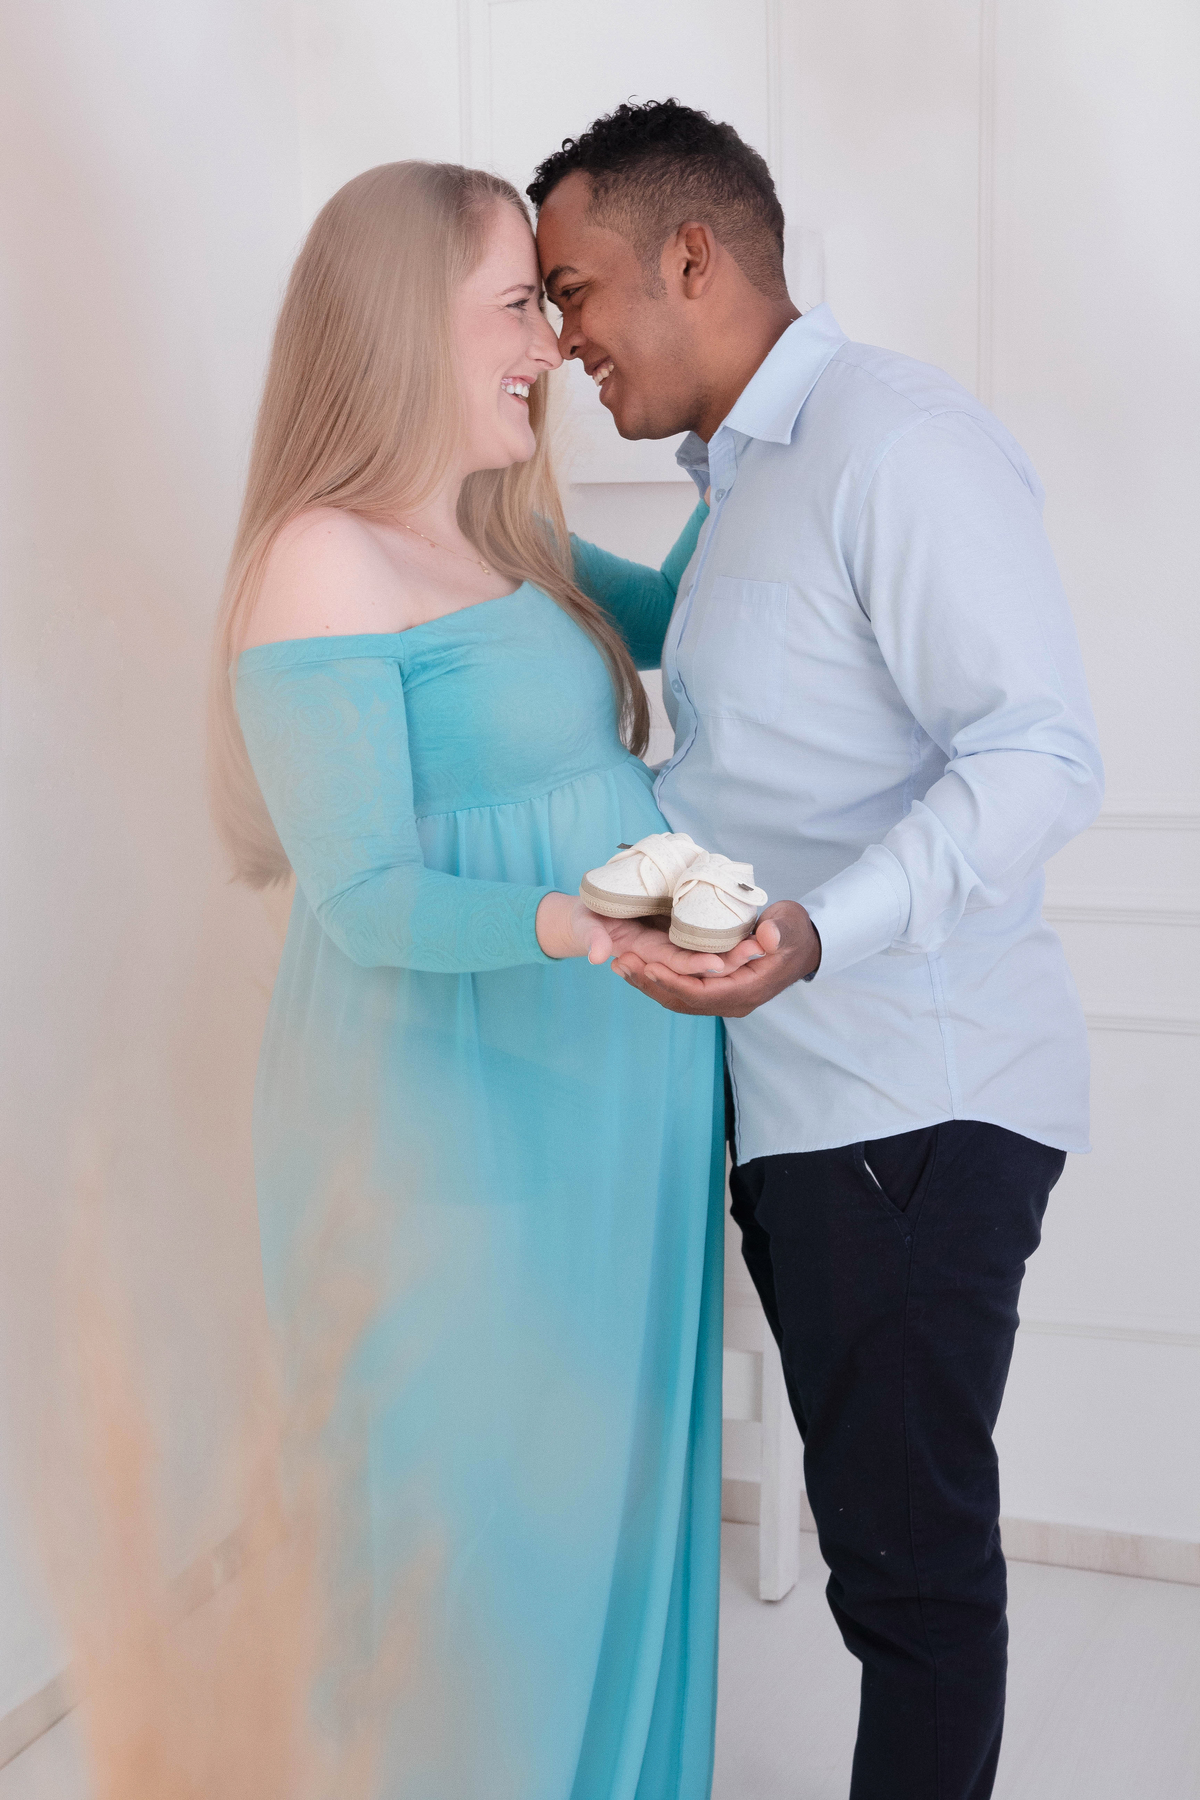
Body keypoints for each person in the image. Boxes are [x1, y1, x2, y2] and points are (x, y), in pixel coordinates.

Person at [530, 100, 1104, 1800]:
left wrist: (813, 932)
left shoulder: (891, 443)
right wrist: (476, 522)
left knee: (912, 1586)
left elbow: (1040, 755)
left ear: (692, 257)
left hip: (909, 1104)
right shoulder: (744, 487)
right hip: (813, 1111)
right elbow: (724, 711)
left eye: (574, 291)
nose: (562, 340)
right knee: (889, 1565)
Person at [210, 160, 732, 1798]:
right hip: (450, 1113)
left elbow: (700, 610)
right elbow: (362, 895)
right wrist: (575, 927)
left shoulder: (510, 533)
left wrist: (741, 409)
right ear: (397, 324)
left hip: (611, 1100)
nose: (550, 345)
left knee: (612, 1504)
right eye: (517, 304)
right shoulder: (323, 558)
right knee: (472, 1536)